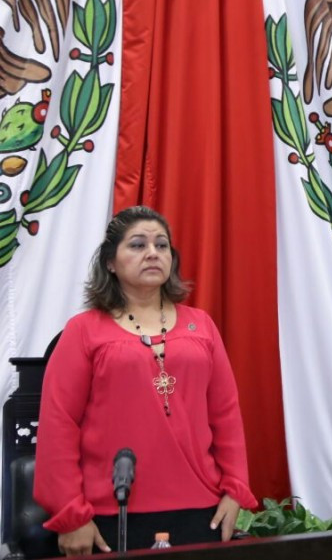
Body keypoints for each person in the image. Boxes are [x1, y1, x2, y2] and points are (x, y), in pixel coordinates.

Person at [34, 206, 258, 555]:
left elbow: (226, 415)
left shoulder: (202, 325)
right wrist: (70, 514)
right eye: (137, 245)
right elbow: (58, 424)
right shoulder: (84, 331)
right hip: (109, 515)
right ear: (110, 262)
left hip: (203, 511)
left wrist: (235, 489)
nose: (153, 253)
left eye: (162, 245)